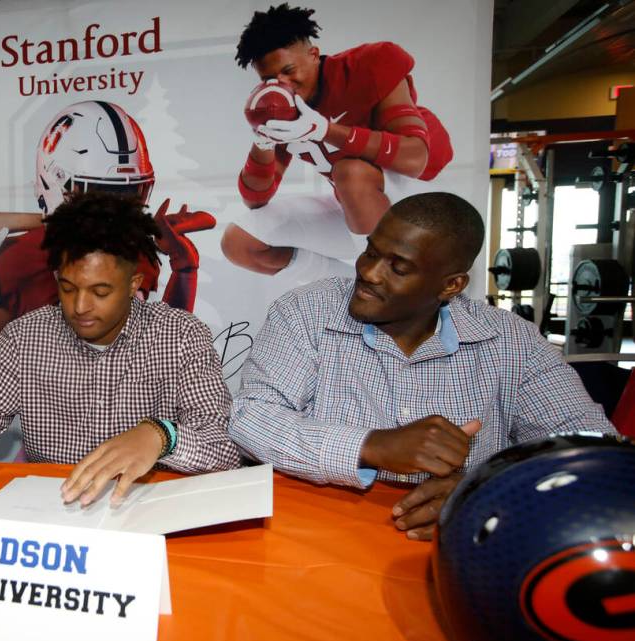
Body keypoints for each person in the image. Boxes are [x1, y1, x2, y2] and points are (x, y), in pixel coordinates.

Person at [228, 192, 617, 541]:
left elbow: (592, 452)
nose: (368, 272)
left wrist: (482, 492)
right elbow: (251, 418)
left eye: (398, 267)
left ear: (451, 285)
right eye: (370, 252)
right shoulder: (305, 312)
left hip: (454, 552)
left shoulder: (512, 343)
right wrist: (371, 446)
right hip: (316, 543)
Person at [0, 191, 240, 505]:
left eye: (100, 291)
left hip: (148, 510)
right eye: (67, 288)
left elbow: (224, 449)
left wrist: (161, 436)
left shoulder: (180, 335)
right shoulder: (26, 338)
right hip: (53, 512)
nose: (80, 306)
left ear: (134, 283)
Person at [0, 100, 214, 349]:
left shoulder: (134, 252)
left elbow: (164, 352)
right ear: (54, 181)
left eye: (128, 194)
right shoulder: (19, 258)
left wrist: (184, 267)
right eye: (100, 193)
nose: (116, 212)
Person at [222, 3, 453, 282]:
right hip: (361, 211)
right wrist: (264, 142)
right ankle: (355, 290)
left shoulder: (368, 65)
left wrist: (326, 130)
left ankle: (385, 288)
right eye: (269, 79)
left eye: (289, 70)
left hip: (426, 202)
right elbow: (256, 200)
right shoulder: (283, 104)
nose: (283, 84)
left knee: (350, 172)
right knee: (239, 241)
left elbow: (415, 159)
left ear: (314, 55)